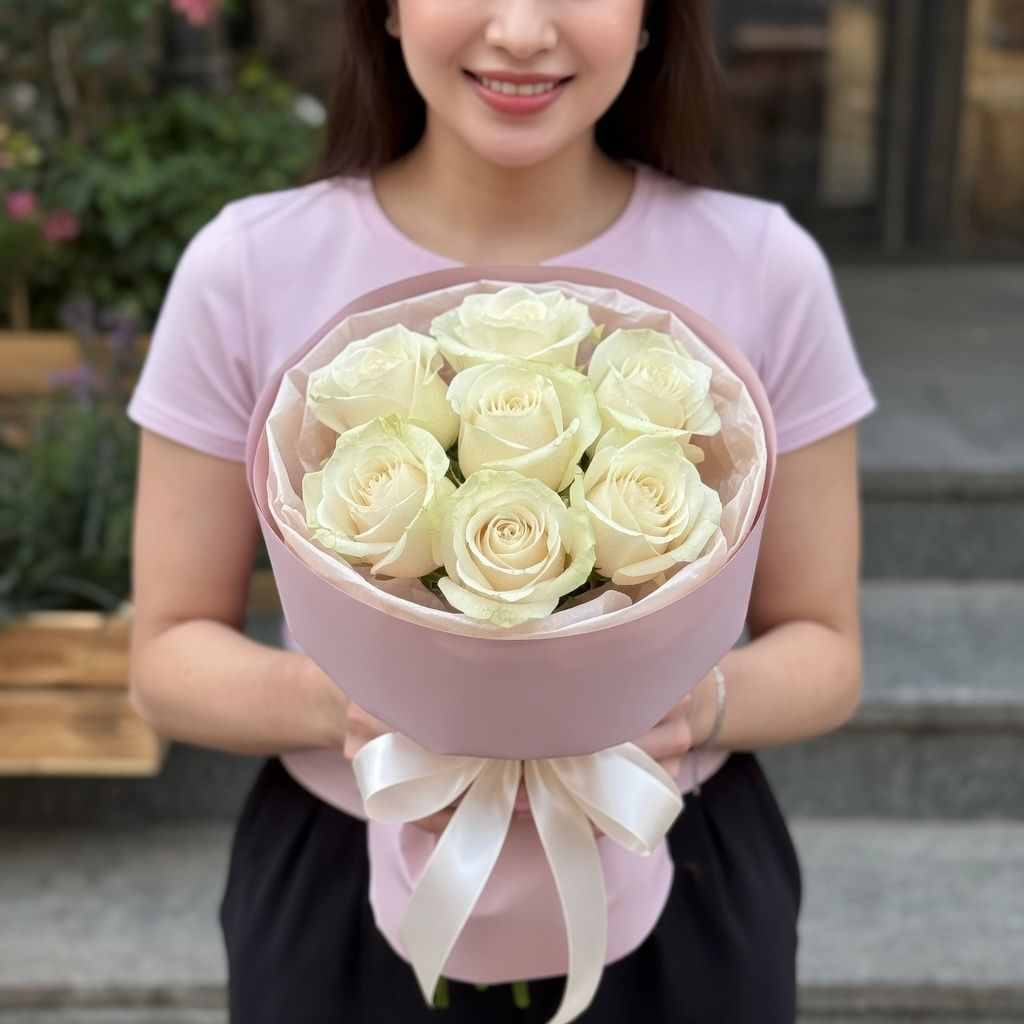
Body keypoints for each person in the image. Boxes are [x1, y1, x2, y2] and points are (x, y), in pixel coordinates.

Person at [126, 0, 878, 1020]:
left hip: (669, 847)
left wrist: (682, 706)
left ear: (652, 17)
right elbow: (167, 656)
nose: (521, 31)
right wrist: (361, 706)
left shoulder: (764, 265)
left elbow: (826, 651)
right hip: (348, 866)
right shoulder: (249, 265)